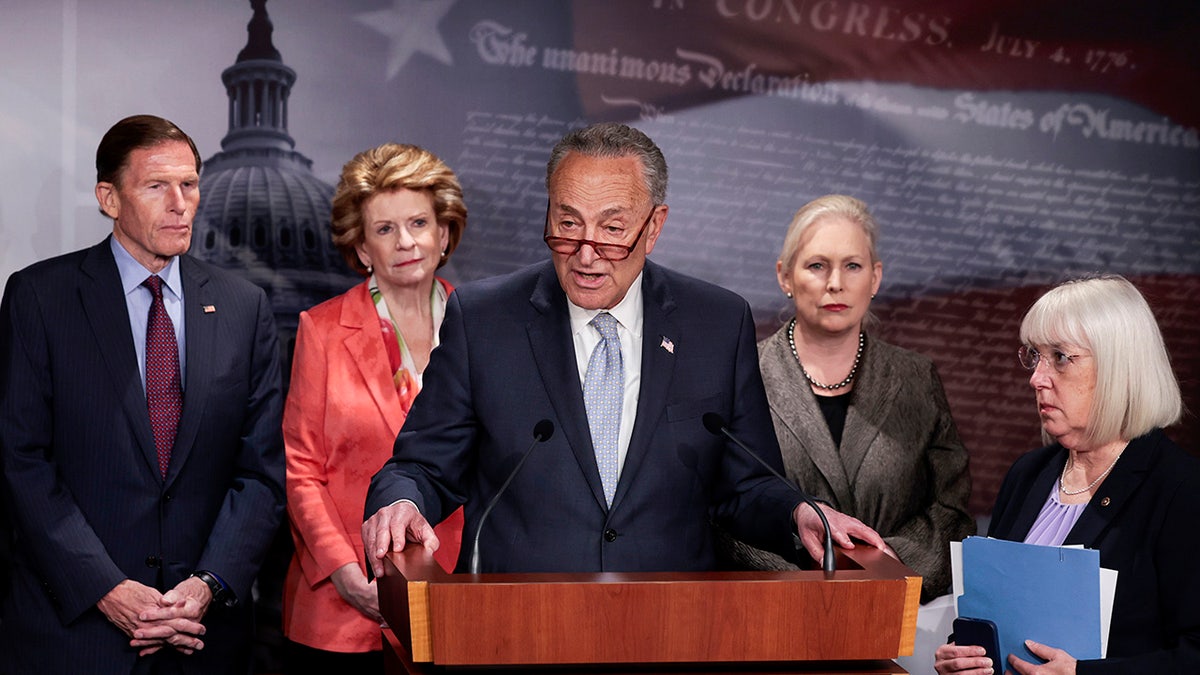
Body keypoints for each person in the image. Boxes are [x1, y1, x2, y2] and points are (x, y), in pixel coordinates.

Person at [361, 122, 887, 577]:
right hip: (516, 632)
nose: (586, 254)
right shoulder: (484, 319)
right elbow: (423, 467)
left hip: (670, 634)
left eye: (613, 230)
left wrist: (798, 512)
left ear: (654, 226)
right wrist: (401, 502)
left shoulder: (716, 323)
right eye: (567, 225)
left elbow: (746, 485)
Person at [0, 114, 285, 673]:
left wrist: (206, 585)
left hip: (202, 636)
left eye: (190, 183)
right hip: (74, 633)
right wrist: (105, 587)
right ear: (109, 198)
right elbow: (20, 460)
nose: (180, 202)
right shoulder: (40, 297)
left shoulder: (244, 307)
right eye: (157, 186)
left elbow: (261, 472)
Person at [935, 275, 1200, 675]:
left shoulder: (1181, 490)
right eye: (1034, 356)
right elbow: (997, 613)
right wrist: (963, 654)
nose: (1036, 378)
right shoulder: (1028, 474)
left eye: (1060, 357)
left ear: (1119, 368)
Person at [717, 195, 974, 602]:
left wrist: (885, 570)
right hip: (776, 615)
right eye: (817, 265)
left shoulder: (915, 378)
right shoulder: (740, 374)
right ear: (785, 276)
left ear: (875, 278)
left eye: (852, 266)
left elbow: (952, 512)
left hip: (897, 613)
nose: (835, 282)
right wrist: (808, 588)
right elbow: (720, 511)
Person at [281, 143, 467, 672]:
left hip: (454, 597)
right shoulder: (320, 330)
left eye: (418, 223)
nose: (405, 241)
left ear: (444, 233)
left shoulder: (486, 328)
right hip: (342, 608)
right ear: (362, 248)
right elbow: (301, 472)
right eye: (384, 230)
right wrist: (343, 570)